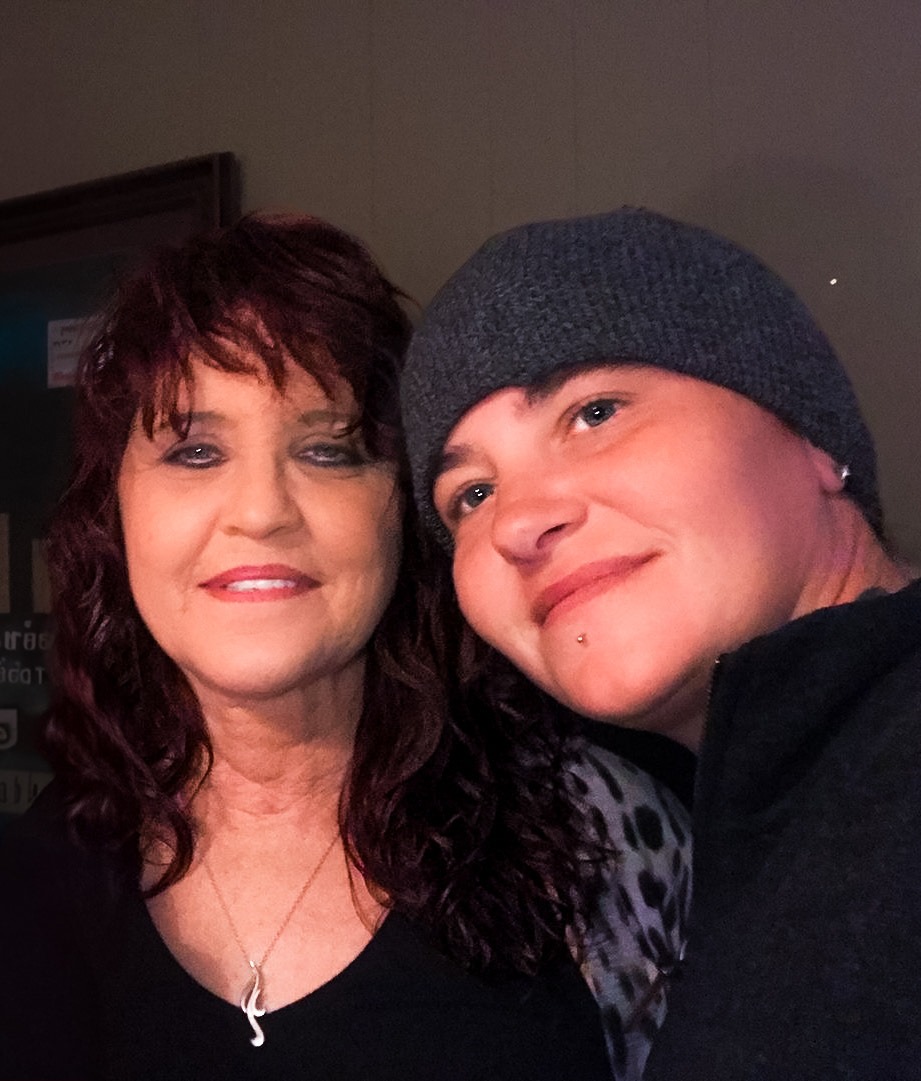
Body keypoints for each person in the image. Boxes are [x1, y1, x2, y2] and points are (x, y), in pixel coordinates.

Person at [0, 213, 689, 1081]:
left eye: (328, 451)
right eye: (196, 451)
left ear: (405, 510)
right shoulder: (43, 872)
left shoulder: (592, 838)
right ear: (115, 513)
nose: (261, 511)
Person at [400, 207, 921, 1081]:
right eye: (471, 495)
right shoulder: (763, 819)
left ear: (811, 434)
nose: (518, 522)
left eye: (594, 412)